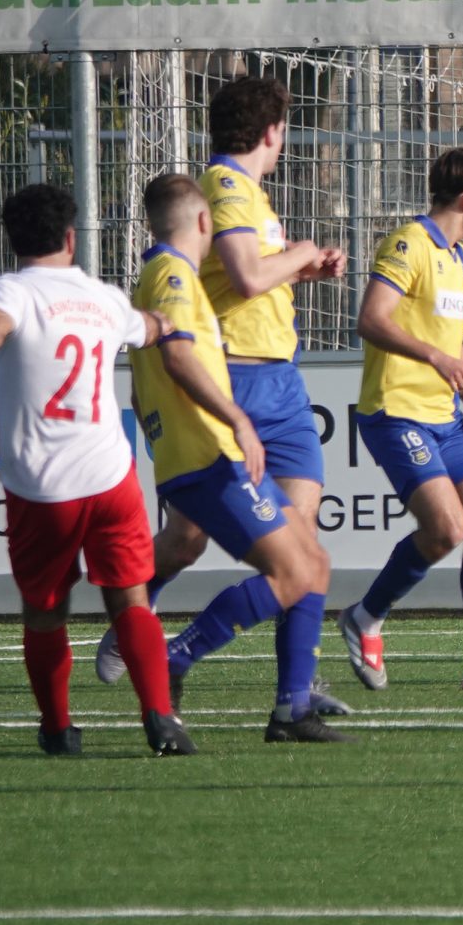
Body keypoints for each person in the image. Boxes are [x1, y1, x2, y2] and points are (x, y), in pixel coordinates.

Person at [96, 75, 346, 708]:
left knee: (305, 548)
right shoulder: (226, 189)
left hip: (281, 379)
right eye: (286, 127)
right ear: (273, 131)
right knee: (189, 538)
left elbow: (253, 279)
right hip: (239, 379)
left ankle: (295, 692)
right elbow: (247, 273)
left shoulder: (253, 197)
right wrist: (300, 253)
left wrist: (302, 269)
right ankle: (135, 620)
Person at [0, 184, 193, 756]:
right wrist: (166, 320)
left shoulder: (13, 290)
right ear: (71, 237)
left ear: (13, 241)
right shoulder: (101, 297)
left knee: (45, 611)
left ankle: (58, 729)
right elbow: (149, 329)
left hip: (43, 488)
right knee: (130, 597)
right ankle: (160, 718)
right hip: (110, 478)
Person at [131, 174, 349, 742]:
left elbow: (142, 385)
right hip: (210, 456)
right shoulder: (175, 276)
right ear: (205, 223)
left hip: (198, 455)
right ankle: (177, 657)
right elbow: (179, 358)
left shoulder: (158, 277)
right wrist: (237, 419)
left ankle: (290, 712)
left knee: (312, 565)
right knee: (296, 570)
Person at [336, 148, 463, 690]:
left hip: (444, 416)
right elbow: (371, 321)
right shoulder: (408, 243)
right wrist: (435, 359)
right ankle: (364, 616)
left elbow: (451, 342)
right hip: (396, 413)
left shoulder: (459, 256)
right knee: (447, 528)